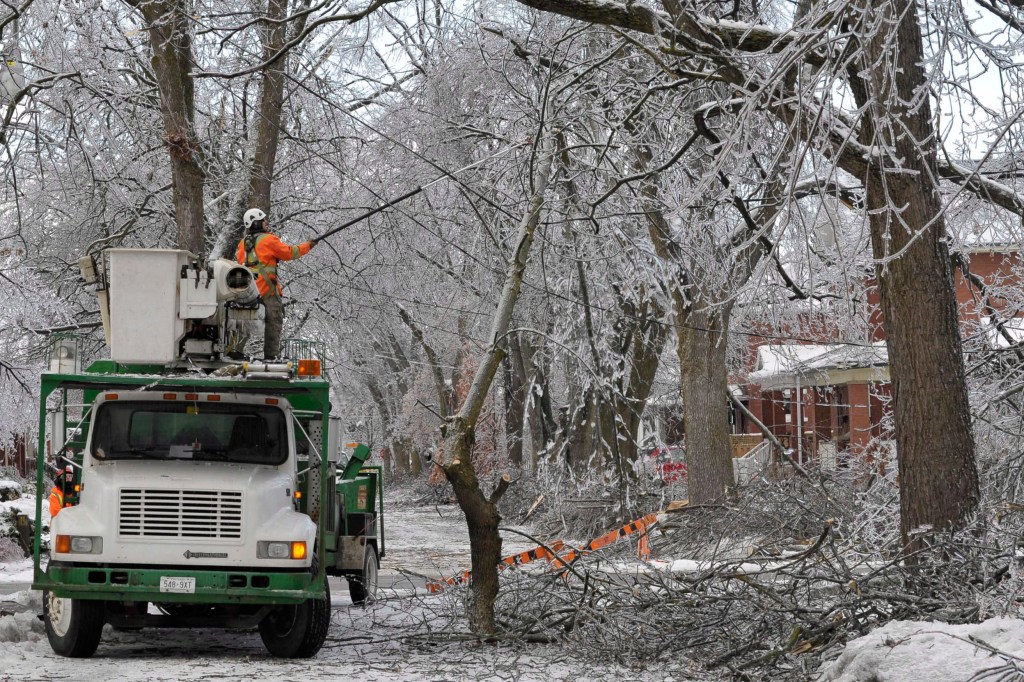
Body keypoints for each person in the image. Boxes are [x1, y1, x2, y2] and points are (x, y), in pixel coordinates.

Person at [235, 208, 317, 359]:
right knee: (274, 321)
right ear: (257, 223)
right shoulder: (269, 240)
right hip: (268, 291)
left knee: (245, 321)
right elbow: (290, 252)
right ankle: (271, 357)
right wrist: (308, 245)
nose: (267, 222)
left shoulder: (242, 244)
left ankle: (234, 351)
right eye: (264, 220)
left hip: (248, 292)